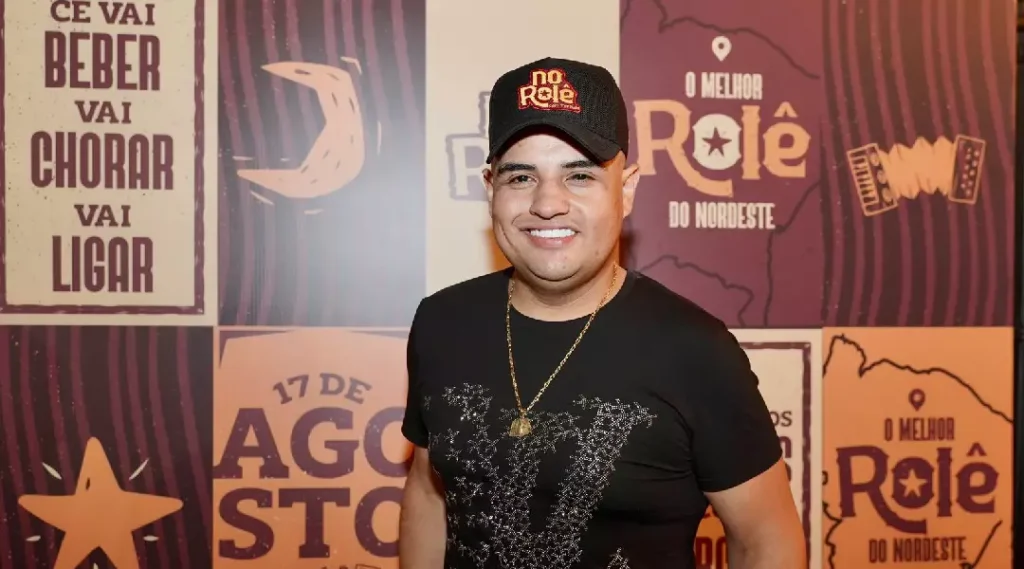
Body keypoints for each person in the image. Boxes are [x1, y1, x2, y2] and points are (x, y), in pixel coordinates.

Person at [398, 57, 806, 569]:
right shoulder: (441, 323)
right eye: (521, 176)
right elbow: (427, 492)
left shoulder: (695, 350)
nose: (548, 203)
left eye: (580, 175)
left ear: (626, 189)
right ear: (490, 189)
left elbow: (767, 541)